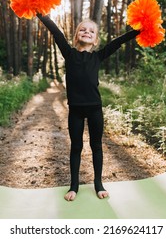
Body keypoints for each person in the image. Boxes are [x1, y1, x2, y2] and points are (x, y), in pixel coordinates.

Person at [37, 13, 139, 201]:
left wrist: (139, 30)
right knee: (76, 147)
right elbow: (56, 32)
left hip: (94, 109)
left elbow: (118, 41)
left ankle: (98, 184)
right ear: (76, 36)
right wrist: (40, 14)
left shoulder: (98, 56)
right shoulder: (69, 53)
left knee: (96, 146)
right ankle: (74, 186)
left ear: (95, 40)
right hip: (75, 110)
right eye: (83, 29)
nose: (87, 32)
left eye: (91, 31)